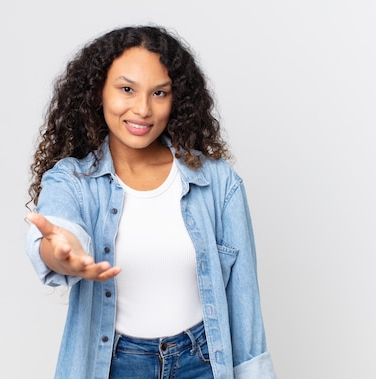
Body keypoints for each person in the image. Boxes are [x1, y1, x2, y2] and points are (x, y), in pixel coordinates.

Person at [25, 25, 276, 379]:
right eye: (127, 89)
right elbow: (58, 234)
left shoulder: (218, 182)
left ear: (177, 99)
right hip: (115, 364)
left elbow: (245, 304)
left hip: (203, 361)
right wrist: (63, 254)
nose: (142, 109)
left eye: (159, 93)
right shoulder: (72, 180)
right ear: (98, 92)